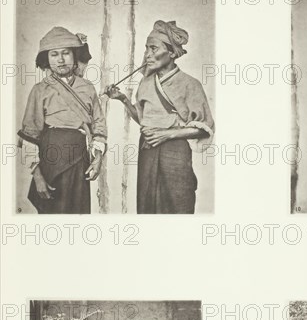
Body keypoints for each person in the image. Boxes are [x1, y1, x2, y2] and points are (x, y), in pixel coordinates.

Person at [106, 20, 214, 214]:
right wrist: (123, 99)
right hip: (147, 149)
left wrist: (167, 135)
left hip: (175, 151)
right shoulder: (146, 83)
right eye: (146, 48)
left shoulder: (190, 84)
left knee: (177, 202)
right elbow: (143, 119)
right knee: (147, 203)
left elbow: (203, 127)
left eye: (153, 48)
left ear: (172, 53)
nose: (147, 54)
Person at [18, 27, 107, 213]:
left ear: (74, 56)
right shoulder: (39, 90)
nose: (60, 59)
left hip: (79, 159)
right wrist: (37, 177)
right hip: (51, 158)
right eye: (54, 54)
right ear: (46, 59)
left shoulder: (88, 88)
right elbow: (30, 134)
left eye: (66, 53)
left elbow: (99, 125)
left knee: (78, 213)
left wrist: (97, 158)